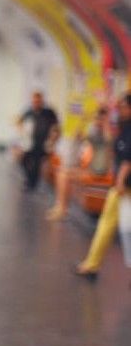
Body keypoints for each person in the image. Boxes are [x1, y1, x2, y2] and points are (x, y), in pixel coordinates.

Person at [75, 94, 131, 279]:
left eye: (123, 106)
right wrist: (104, 107)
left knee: (126, 231)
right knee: (107, 224)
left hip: (125, 187)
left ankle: (92, 265)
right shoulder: (124, 125)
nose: (120, 109)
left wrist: (121, 179)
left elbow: (128, 159)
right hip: (120, 187)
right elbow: (112, 138)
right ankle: (92, 265)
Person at [45, 107, 111, 221]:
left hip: (100, 172)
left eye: (101, 119)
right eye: (97, 119)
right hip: (92, 169)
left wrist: (105, 123)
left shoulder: (108, 135)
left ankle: (62, 208)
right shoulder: (95, 134)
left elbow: (109, 139)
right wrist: (84, 120)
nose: (98, 121)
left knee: (64, 174)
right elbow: (77, 136)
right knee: (62, 172)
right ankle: (60, 206)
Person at [17, 91, 59, 191]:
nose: (36, 103)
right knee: (23, 159)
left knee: (36, 162)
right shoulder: (28, 113)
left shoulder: (49, 113)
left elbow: (56, 127)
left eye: (38, 101)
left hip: (43, 144)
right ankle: (30, 179)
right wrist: (22, 134)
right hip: (30, 143)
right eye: (34, 101)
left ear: (42, 101)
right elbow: (19, 122)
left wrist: (53, 140)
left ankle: (32, 183)